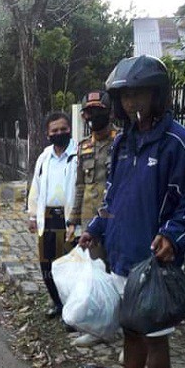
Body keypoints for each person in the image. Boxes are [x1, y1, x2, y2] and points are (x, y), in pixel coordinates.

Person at [78, 56, 185, 368]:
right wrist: (95, 228)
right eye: (125, 96)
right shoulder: (123, 142)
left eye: (138, 94)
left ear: (157, 95)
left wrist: (173, 235)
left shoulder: (177, 142)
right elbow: (113, 197)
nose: (131, 101)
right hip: (121, 258)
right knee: (131, 333)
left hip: (153, 264)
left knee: (155, 338)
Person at [66, 90, 119, 347]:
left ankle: (125, 332)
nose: (91, 116)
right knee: (94, 274)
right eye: (88, 112)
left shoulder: (122, 140)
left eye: (97, 110)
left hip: (116, 218)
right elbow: (79, 185)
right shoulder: (83, 146)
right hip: (90, 220)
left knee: (118, 276)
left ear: (108, 111)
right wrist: (73, 221)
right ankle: (99, 328)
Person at [27, 112, 78, 318]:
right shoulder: (44, 156)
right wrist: (32, 215)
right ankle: (57, 303)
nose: (59, 133)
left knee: (68, 265)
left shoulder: (79, 155)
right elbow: (36, 187)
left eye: (63, 129)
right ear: (48, 134)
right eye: (54, 131)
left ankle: (72, 309)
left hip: (69, 218)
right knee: (46, 263)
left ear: (70, 129)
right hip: (46, 217)